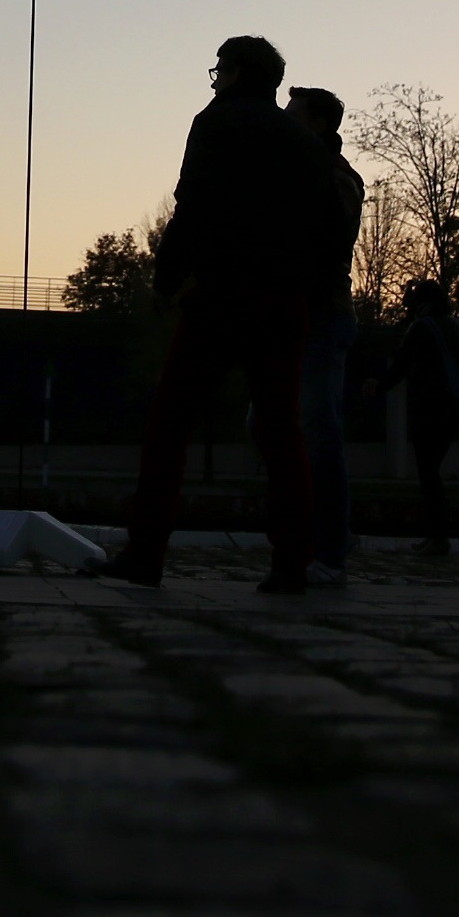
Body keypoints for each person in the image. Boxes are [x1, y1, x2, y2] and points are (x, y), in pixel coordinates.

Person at [91, 36, 332, 595]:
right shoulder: (305, 142)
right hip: (287, 300)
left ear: (237, 71)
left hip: (224, 295)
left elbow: (191, 204)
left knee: (171, 421)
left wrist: (167, 279)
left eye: (219, 68)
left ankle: (146, 553)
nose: (215, 77)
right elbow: (323, 228)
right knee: (282, 432)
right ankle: (292, 563)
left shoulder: (217, 122)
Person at [288, 86, 367, 586]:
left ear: (315, 123)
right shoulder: (307, 171)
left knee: (320, 433)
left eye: (292, 113)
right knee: (280, 426)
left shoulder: (335, 178)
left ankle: (332, 547)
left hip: (322, 315)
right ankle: (325, 532)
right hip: (299, 313)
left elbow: (331, 240)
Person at [369, 275, 459, 554]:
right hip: (455, 408)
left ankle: (437, 537)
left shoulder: (421, 328)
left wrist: (376, 388)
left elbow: (401, 365)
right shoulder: (457, 326)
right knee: (433, 472)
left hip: (430, 408)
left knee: (428, 474)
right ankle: (438, 535)